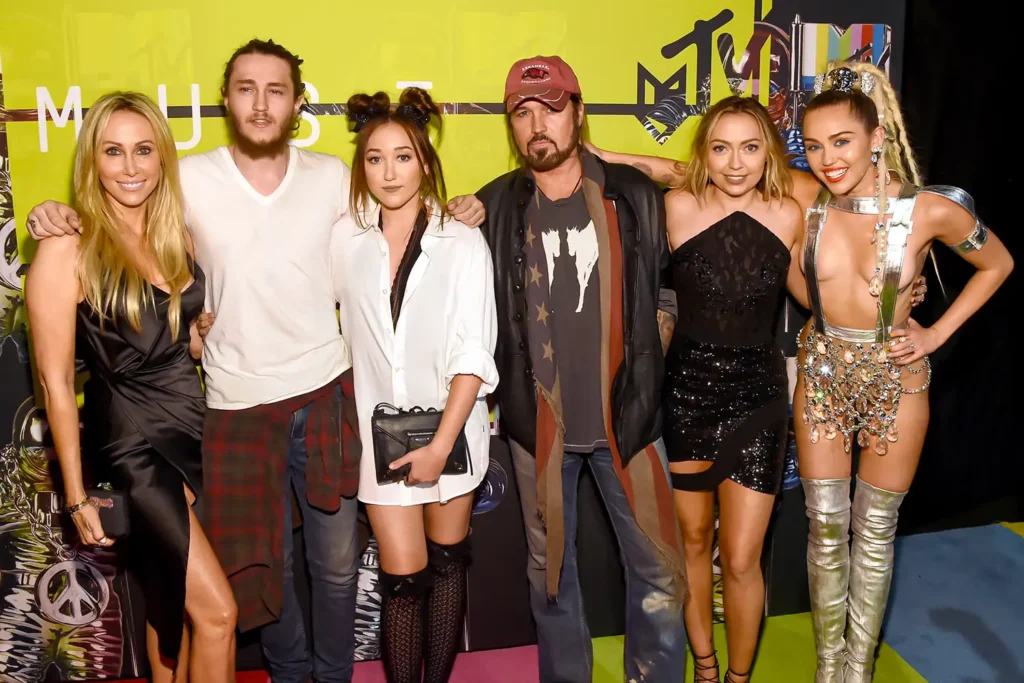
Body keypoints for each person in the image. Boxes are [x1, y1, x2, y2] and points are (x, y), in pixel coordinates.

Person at [24, 39, 486, 683]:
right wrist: (56, 215)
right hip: (232, 407)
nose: (262, 103)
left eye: (276, 90)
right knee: (258, 572)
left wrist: (460, 209)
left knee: (334, 565)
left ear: (297, 103)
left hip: (326, 392)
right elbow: (120, 223)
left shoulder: (333, 176)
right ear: (226, 99)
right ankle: (291, 674)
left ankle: (332, 677)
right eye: (246, 88)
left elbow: (400, 208)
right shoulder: (182, 179)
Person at [794, 62, 1012, 683]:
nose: (828, 159)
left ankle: (856, 673)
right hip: (823, 376)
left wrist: (936, 333)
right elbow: (692, 172)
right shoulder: (806, 197)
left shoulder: (931, 210)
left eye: (842, 142)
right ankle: (825, 669)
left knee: (875, 530)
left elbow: (998, 264)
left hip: (898, 381)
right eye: (814, 145)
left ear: (876, 138)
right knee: (825, 529)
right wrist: (593, 151)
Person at [475, 55, 687, 683]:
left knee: (656, 571)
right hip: (538, 425)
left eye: (551, 106)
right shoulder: (493, 207)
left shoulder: (636, 194)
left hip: (630, 418)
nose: (537, 122)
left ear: (578, 110)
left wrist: (653, 350)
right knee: (550, 575)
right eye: (522, 111)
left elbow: (672, 286)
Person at [25, 92, 236, 682]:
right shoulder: (67, 249)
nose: (130, 167)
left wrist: (194, 338)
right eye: (113, 152)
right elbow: (55, 383)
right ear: (92, 160)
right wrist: (74, 494)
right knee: (218, 615)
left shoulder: (177, 238)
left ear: (162, 157)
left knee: (174, 607)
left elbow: (168, 340)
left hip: (190, 427)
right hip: (133, 446)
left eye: (144, 150)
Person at [331, 87, 497, 683]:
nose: (389, 171)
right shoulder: (345, 240)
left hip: (452, 429)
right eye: (375, 158)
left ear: (424, 161)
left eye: (403, 156)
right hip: (380, 441)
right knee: (402, 583)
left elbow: (473, 353)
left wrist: (438, 447)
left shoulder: (462, 240)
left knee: (449, 566)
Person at [658, 95, 807, 683]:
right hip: (687, 395)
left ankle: (739, 680)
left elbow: (814, 297)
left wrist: (897, 295)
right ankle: (705, 668)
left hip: (758, 401)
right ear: (703, 153)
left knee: (742, 558)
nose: (736, 163)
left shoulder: (790, 213)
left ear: (767, 152)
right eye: (721, 148)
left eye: (750, 147)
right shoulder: (675, 208)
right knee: (692, 542)